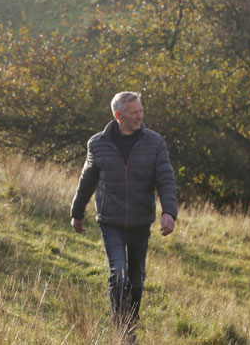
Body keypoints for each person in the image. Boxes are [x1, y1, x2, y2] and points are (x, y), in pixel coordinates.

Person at [70, 91, 177, 336]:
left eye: (141, 110)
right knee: (118, 275)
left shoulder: (154, 142)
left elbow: (166, 179)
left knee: (136, 280)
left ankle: (131, 322)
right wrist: (77, 212)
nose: (140, 115)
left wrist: (169, 211)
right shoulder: (97, 144)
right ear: (119, 115)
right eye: (134, 112)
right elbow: (87, 181)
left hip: (141, 221)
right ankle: (123, 333)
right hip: (111, 221)